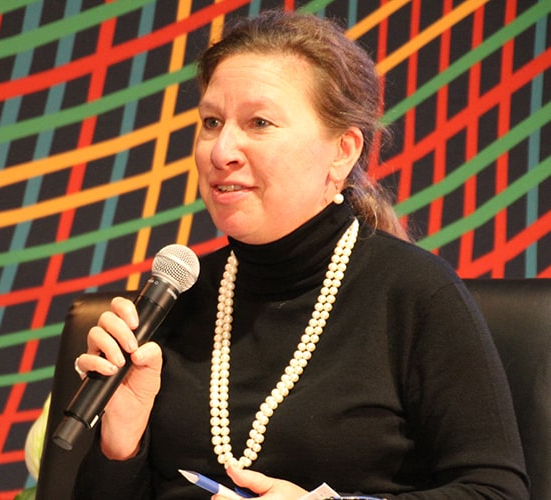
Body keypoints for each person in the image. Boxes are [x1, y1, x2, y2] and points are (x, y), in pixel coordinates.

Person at [72, 9, 529, 499]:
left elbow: (497, 491)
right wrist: (121, 449)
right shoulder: (174, 299)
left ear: (343, 151)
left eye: (259, 122)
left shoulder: (415, 294)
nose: (221, 149)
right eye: (211, 122)